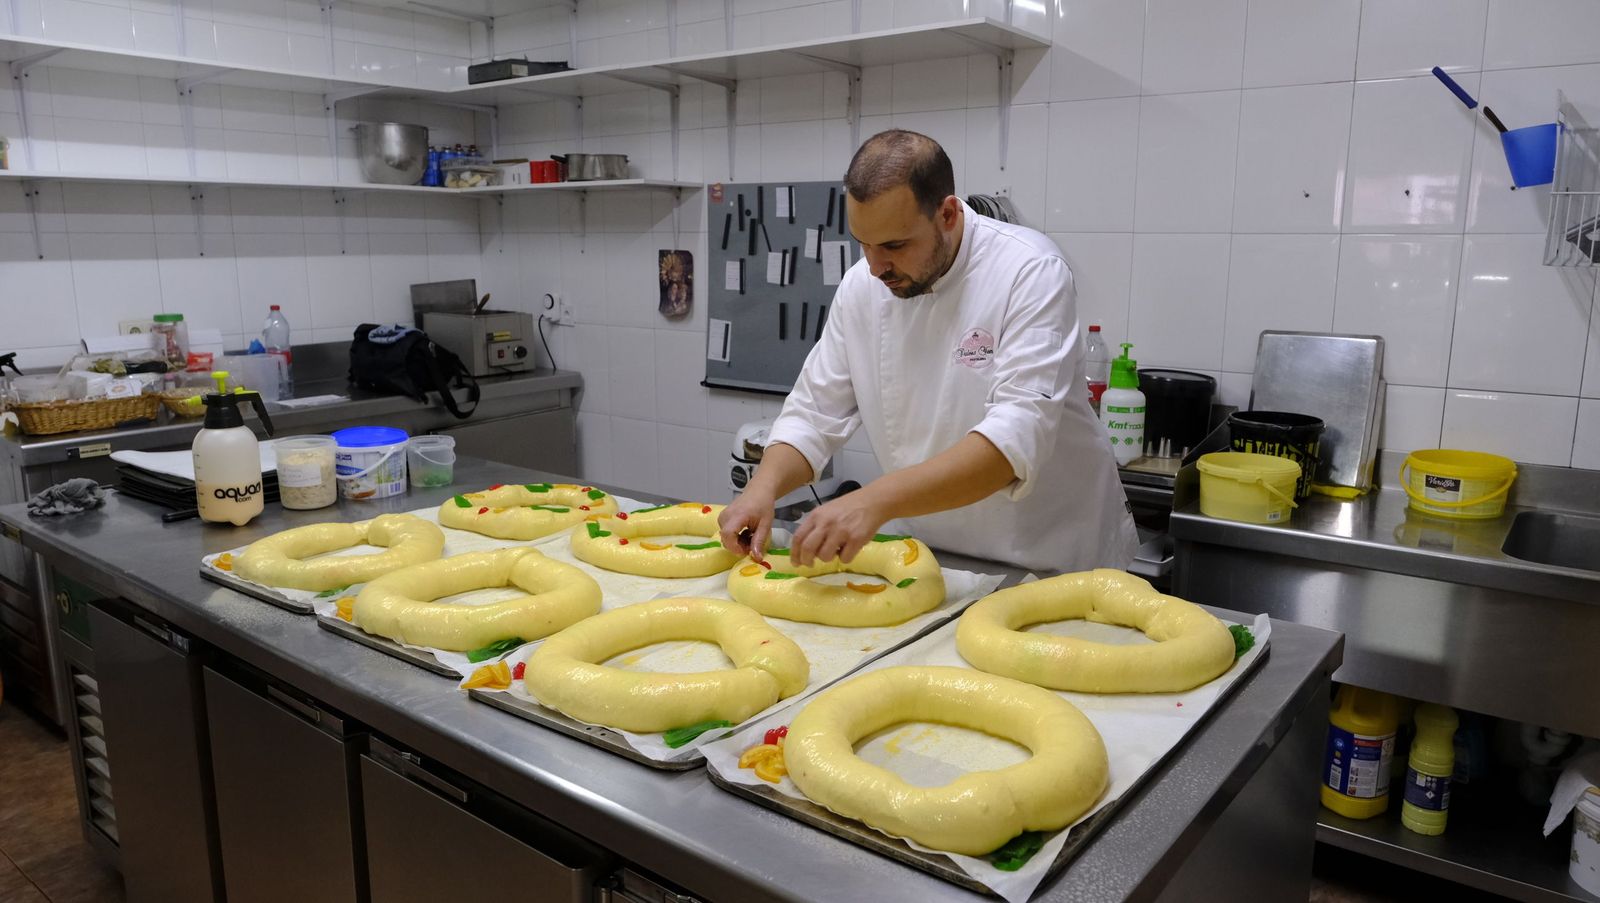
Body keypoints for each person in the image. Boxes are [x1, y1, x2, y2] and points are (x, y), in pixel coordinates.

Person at [717, 129, 1138, 573]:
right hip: (938, 558)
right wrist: (762, 489)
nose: (876, 267)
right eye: (864, 243)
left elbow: (1013, 441)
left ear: (949, 214)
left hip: (1050, 556)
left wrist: (874, 501)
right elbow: (813, 414)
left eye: (895, 245)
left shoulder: (1030, 272)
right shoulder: (863, 286)